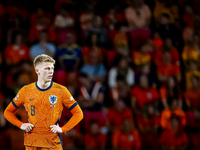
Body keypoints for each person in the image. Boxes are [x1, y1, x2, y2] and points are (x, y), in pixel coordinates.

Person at [4, 54, 83, 150]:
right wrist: (21, 125)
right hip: (32, 144)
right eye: (47, 69)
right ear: (37, 71)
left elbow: (79, 113)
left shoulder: (61, 91)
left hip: (52, 144)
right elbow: (7, 112)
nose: (51, 72)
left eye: (52, 68)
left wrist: (63, 129)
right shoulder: (26, 91)